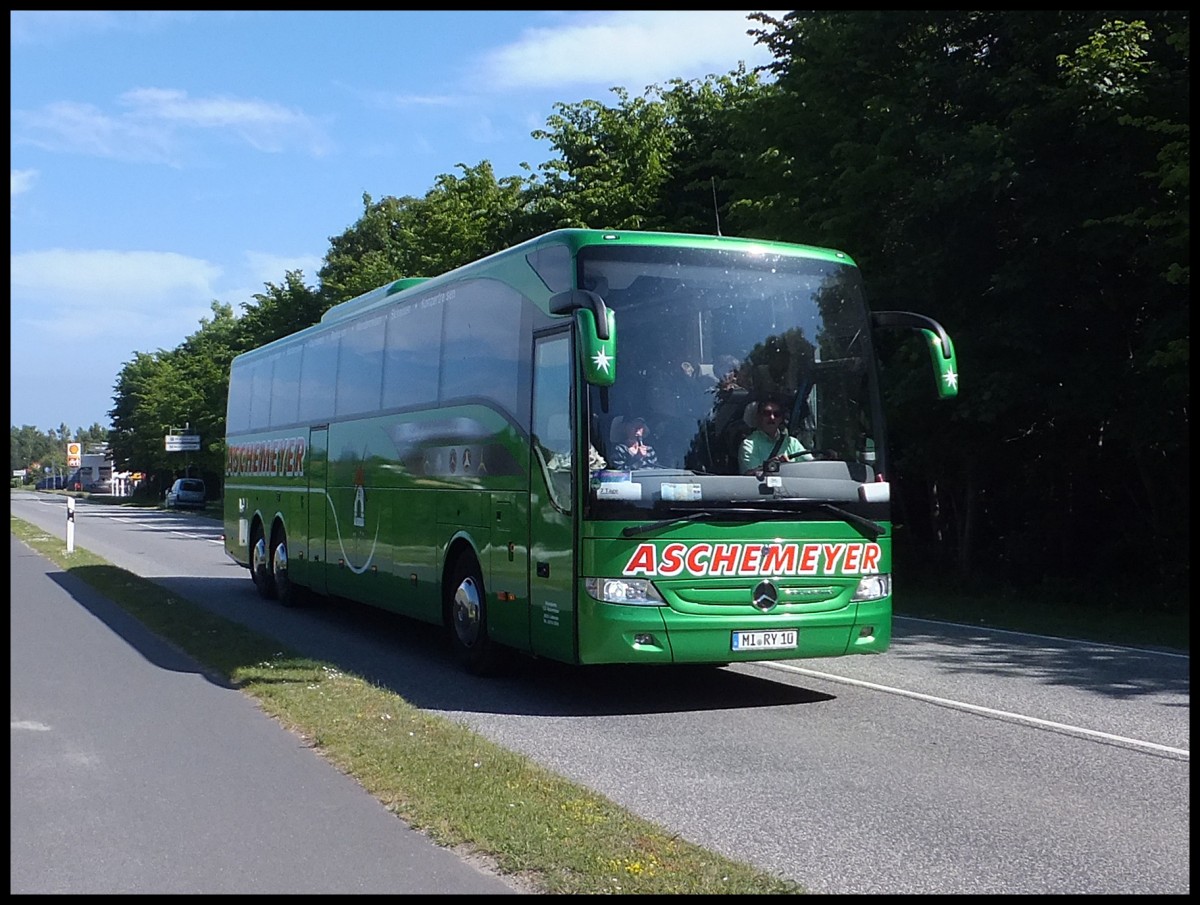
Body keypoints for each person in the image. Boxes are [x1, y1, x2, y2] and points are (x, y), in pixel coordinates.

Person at [740, 396, 809, 474]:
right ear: (759, 416)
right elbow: (749, 476)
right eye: (767, 413)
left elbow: (811, 466)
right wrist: (771, 466)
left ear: (781, 419)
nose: (772, 418)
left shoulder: (792, 443)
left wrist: (790, 467)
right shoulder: (749, 445)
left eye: (777, 414)